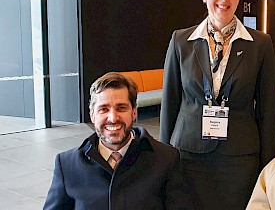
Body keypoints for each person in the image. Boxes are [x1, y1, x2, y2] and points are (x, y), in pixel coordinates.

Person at [160, 0, 275, 210]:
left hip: (239, 158)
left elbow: (268, 111)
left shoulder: (260, 44)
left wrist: (269, 166)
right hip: (188, 153)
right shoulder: (181, 41)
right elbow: (170, 103)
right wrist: (164, 157)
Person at [43, 72, 192, 210]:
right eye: (104, 109)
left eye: (121, 108)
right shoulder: (68, 165)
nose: (113, 118)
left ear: (134, 112)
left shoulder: (166, 159)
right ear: (92, 115)